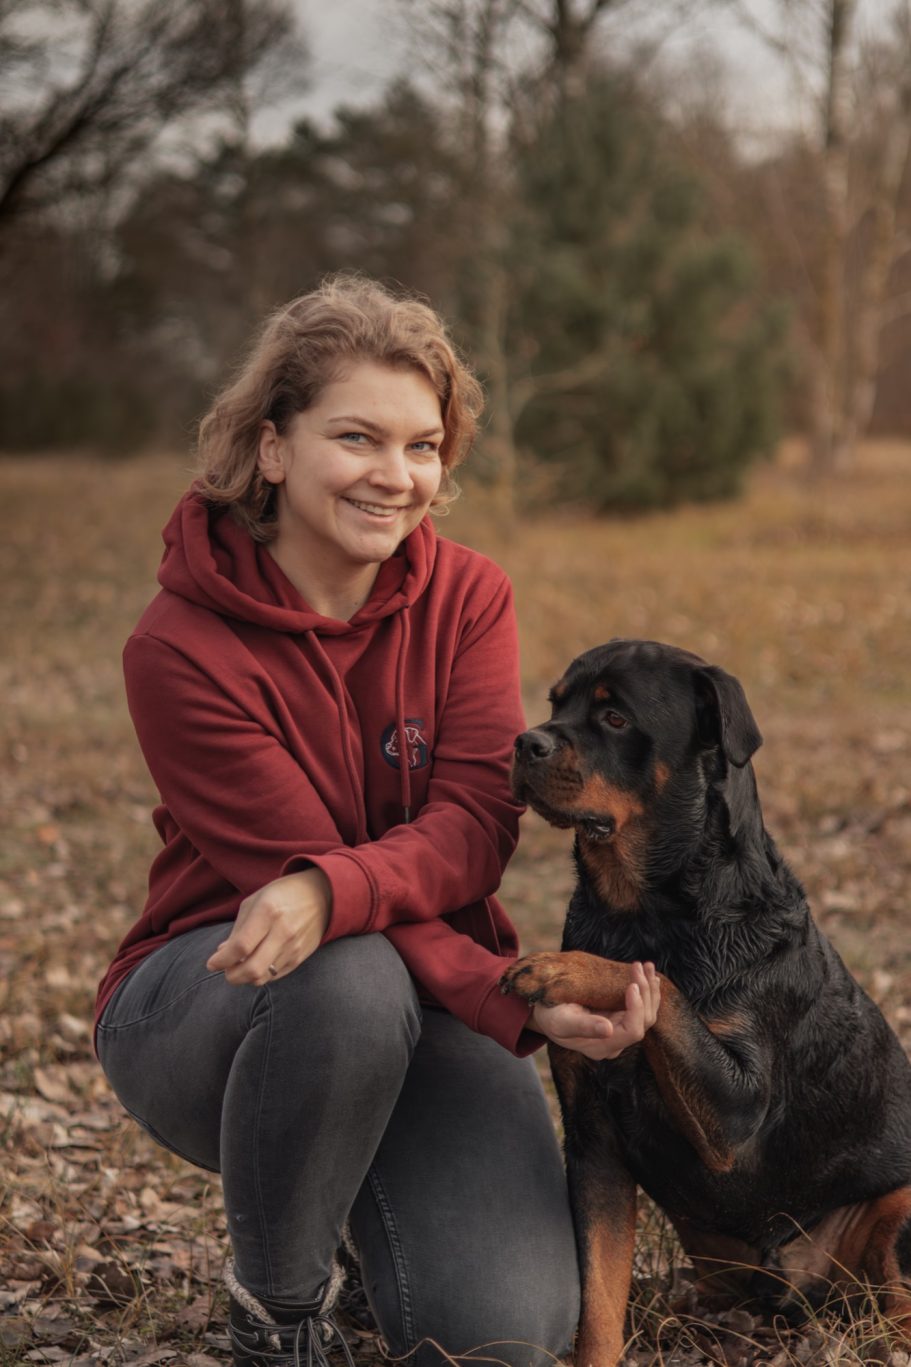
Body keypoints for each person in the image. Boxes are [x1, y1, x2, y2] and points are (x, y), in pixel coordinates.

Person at [94, 274, 660, 1367]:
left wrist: (477, 984)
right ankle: (276, 1312)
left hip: (429, 998)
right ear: (272, 447)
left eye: (422, 446)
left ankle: (358, 1196)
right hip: (220, 1001)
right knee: (342, 969)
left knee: (504, 1334)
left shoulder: (468, 596)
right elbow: (310, 898)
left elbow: (474, 826)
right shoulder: (177, 646)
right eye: (356, 437)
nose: (395, 476)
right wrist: (503, 994)